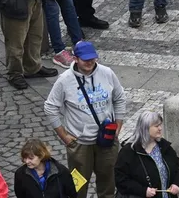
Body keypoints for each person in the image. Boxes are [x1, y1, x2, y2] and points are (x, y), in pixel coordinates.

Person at [44, 41, 125, 198]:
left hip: (107, 140)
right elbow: (50, 107)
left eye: (92, 59)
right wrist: (65, 137)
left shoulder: (107, 73)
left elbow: (120, 98)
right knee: (77, 186)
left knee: (108, 182)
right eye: (85, 59)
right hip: (80, 144)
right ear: (75, 58)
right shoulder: (64, 80)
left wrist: (118, 127)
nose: (89, 62)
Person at [115, 112, 179, 198]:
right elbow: (121, 179)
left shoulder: (164, 147)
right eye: (156, 126)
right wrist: (143, 191)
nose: (160, 128)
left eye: (160, 125)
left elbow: (177, 167)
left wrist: (176, 183)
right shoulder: (128, 152)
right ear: (145, 128)